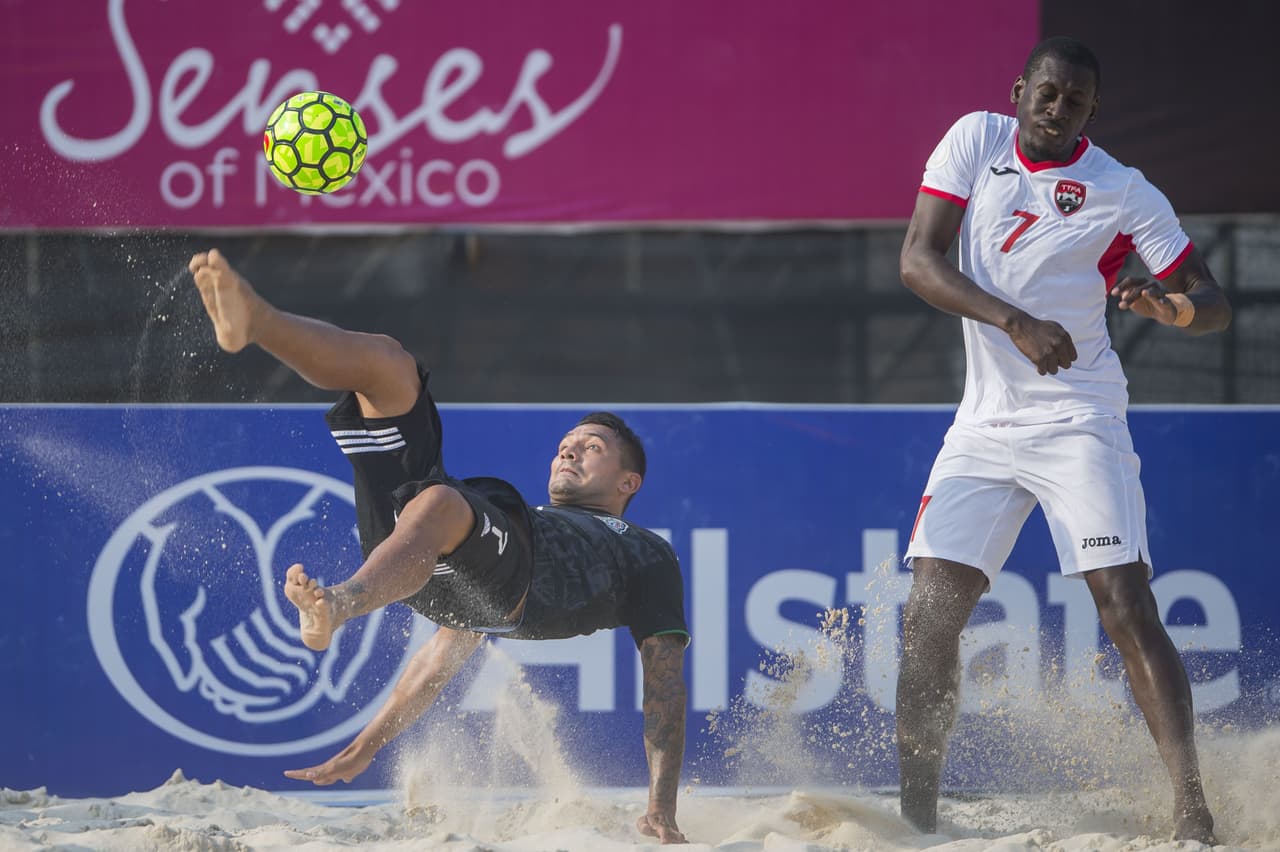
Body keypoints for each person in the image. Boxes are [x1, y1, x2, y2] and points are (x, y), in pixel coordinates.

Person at [188, 249, 692, 845]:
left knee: (444, 504)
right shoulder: (517, 520)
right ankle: (258, 322)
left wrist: (661, 807)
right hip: (428, 557)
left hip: (505, 577)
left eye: (591, 447)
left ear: (628, 483)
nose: (569, 450)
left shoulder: (645, 551)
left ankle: (339, 605)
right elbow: (441, 656)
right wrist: (363, 750)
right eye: (565, 443)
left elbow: (664, 683)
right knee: (388, 363)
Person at [895, 36, 1230, 843]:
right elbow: (916, 261)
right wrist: (1016, 323)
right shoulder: (975, 140)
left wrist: (1168, 309)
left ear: (1092, 112)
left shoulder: (1122, 190)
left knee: (1123, 605)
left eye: (1075, 100)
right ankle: (916, 818)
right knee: (930, 617)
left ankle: (1191, 808)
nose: (1057, 106)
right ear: (1020, 90)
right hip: (982, 425)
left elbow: (1212, 300)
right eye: (1047, 91)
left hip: (1079, 417)